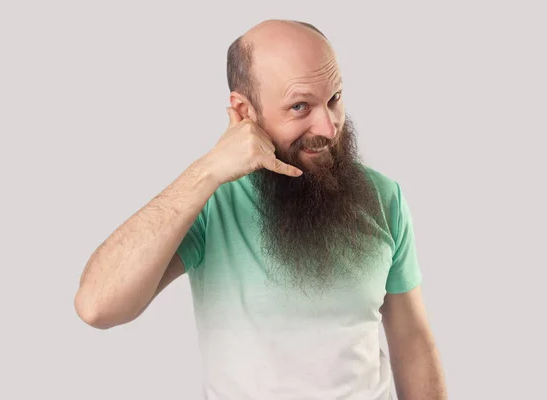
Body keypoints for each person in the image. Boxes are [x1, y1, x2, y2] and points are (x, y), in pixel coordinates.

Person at [74, 19, 447, 400]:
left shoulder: (383, 196)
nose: (329, 127)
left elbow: (412, 342)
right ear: (244, 111)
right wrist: (207, 171)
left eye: (333, 99)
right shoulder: (210, 201)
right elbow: (97, 306)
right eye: (300, 107)